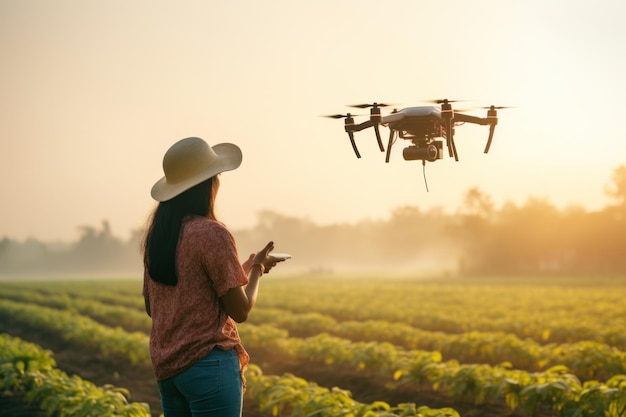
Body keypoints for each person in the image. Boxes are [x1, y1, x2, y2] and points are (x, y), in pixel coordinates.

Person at [142, 136, 284, 417]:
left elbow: (156, 305)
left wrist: (241, 270)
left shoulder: (159, 237)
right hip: (208, 367)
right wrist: (257, 269)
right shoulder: (211, 233)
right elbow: (240, 310)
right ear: (208, 184)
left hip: (168, 371)